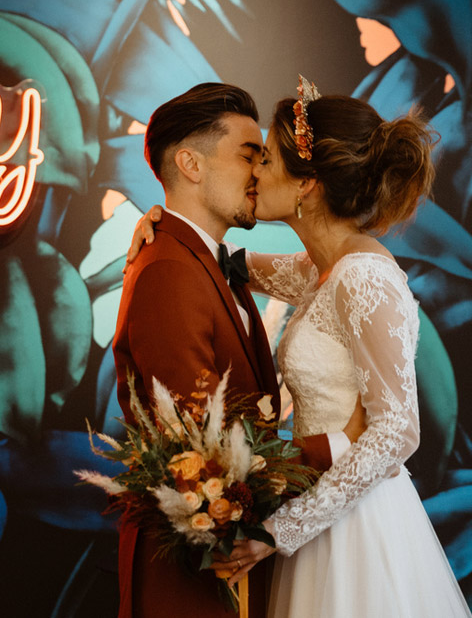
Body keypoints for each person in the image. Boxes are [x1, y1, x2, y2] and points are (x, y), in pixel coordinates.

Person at [127, 77, 472, 617]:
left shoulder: (364, 277)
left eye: (265, 158)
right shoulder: (319, 270)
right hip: (306, 519)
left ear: (307, 182)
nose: (256, 172)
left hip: (352, 524)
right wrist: (157, 227)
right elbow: (223, 262)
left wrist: (280, 531)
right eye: (251, 155)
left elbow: (399, 431)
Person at [112, 82, 363, 618]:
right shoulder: (170, 272)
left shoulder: (209, 261)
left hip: (236, 555)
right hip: (194, 575)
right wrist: (341, 446)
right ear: (191, 164)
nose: (260, 172)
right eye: (250, 155)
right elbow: (206, 453)